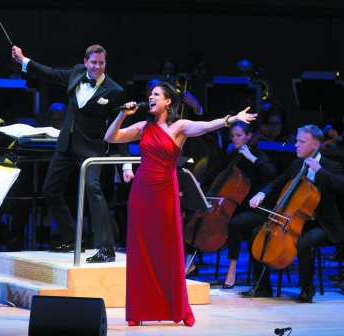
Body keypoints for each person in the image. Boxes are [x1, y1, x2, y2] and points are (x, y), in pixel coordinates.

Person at [104, 81, 255, 326]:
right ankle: (139, 310)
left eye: (156, 95)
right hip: (142, 191)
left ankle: (178, 309)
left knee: (168, 248)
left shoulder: (179, 127)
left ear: (168, 101)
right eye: (149, 94)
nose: (150, 98)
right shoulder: (143, 126)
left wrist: (231, 119)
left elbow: (206, 127)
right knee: (141, 250)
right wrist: (122, 114)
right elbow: (110, 136)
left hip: (165, 191)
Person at [11, 44, 133, 262]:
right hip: (66, 145)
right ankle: (70, 237)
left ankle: (106, 248)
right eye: (94, 62)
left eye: (101, 63)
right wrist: (23, 61)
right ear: (85, 62)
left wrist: (126, 164)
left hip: (91, 148)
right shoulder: (76, 73)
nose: (97, 67)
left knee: (93, 190)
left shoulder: (115, 91)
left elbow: (121, 126)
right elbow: (49, 72)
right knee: (49, 190)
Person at [242, 125, 344, 303]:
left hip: (322, 224)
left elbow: (341, 185)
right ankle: (263, 286)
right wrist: (262, 193)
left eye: (301, 141)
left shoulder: (331, 166)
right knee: (257, 233)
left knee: (305, 243)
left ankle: (307, 288)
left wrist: (320, 170)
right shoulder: (297, 164)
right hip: (294, 221)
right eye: (296, 141)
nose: (296, 145)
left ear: (315, 145)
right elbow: (277, 183)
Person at [193, 121, 277, 288]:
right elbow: (214, 172)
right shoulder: (232, 156)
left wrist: (252, 158)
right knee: (194, 216)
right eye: (233, 136)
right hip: (233, 208)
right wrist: (199, 183)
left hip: (255, 208)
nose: (235, 139)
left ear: (249, 136)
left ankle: (232, 269)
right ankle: (190, 261)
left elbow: (272, 174)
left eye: (239, 136)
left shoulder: (259, 155)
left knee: (235, 224)